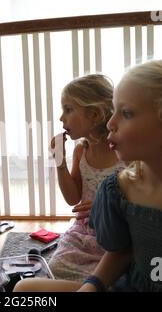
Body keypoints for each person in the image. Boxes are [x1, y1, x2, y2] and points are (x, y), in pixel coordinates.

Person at [16, 58, 162, 292]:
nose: (111, 123)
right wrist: (92, 286)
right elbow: (120, 252)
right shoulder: (118, 188)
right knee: (24, 289)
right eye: (114, 110)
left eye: (127, 113)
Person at [45, 74, 125, 282]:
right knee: (54, 267)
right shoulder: (81, 151)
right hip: (83, 233)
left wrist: (105, 206)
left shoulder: (125, 153)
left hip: (115, 234)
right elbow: (73, 199)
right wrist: (60, 163)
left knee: (117, 276)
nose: (61, 118)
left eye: (68, 109)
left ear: (95, 114)